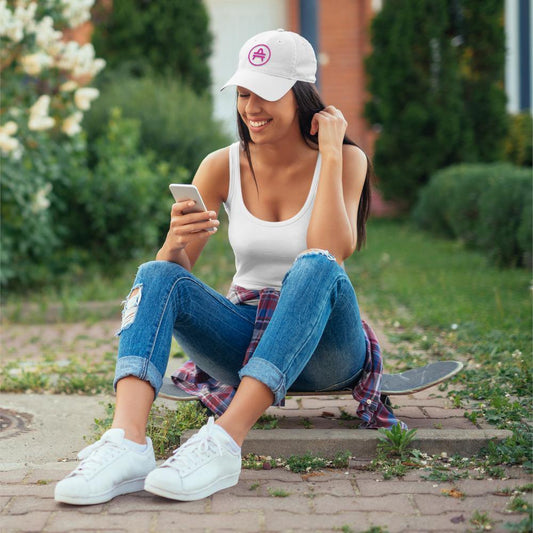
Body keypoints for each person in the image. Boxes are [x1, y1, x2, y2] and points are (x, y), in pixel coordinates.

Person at [55, 29, 397, 506]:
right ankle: (127, 443)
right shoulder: (221, 165)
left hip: (327, 351)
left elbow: (333, 250)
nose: (252, 107)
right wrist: (176, 240)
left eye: (266, 94)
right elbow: (176, 273)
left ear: (302, 98)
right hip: (243, 339)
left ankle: (223, 442)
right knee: (154, 274)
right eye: (243, 93)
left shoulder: (346, 160)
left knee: (315, 265)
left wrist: (334, 151)